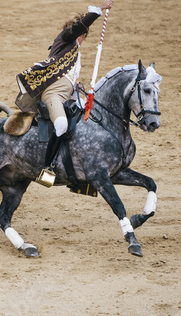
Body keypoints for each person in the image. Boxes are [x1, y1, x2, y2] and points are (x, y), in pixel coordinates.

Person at [15, 1, 114, 185]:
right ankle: (47, 168)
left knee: (87, 124)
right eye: (82, 34)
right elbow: (76, 29)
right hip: (52, 93)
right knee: (61, 125)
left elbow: (71, 82)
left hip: (69, 95)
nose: (82, 38)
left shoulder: (75, 54)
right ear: (81, 34)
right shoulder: (65, 38)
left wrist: (80, 96)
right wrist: (99, 10)